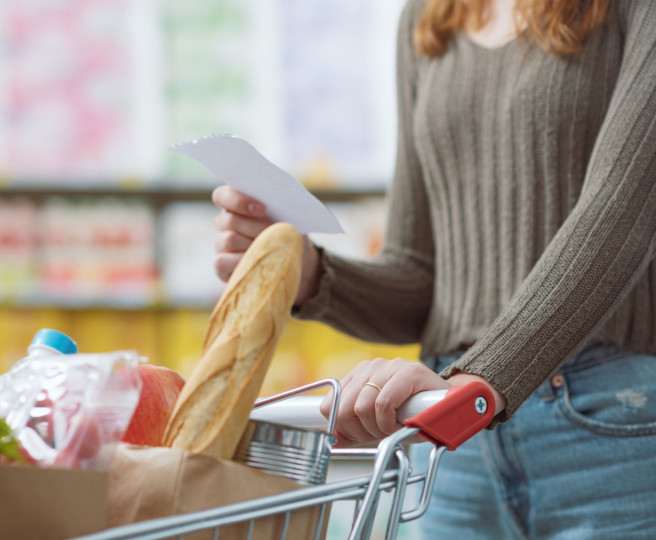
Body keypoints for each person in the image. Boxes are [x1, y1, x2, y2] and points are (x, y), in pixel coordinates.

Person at [212, 0, 656, 537]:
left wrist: (481, 380)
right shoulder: (431, 16)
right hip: (452, 435)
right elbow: (419, 276)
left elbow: (623, 218)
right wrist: (310, 275)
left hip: (603, 417)